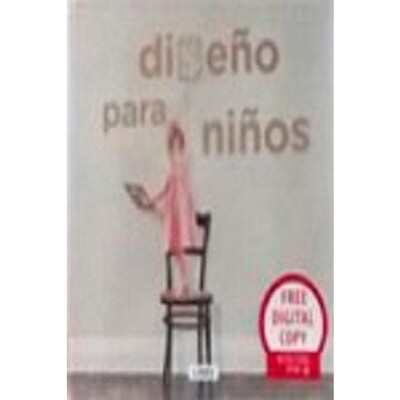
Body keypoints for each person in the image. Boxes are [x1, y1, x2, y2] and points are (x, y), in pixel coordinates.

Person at [126, 121, 196, 296]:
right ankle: (184, 282)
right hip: (173, 207)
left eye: (178, 145)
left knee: (178, 245)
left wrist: (156, 199)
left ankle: (185, 282)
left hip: (178, 209)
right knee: (175, 247)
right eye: (173, 146)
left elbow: (172, 189)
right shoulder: (174, 167)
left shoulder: (181, 166)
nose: (176, 149)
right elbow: (165, 188)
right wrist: (152, 199)